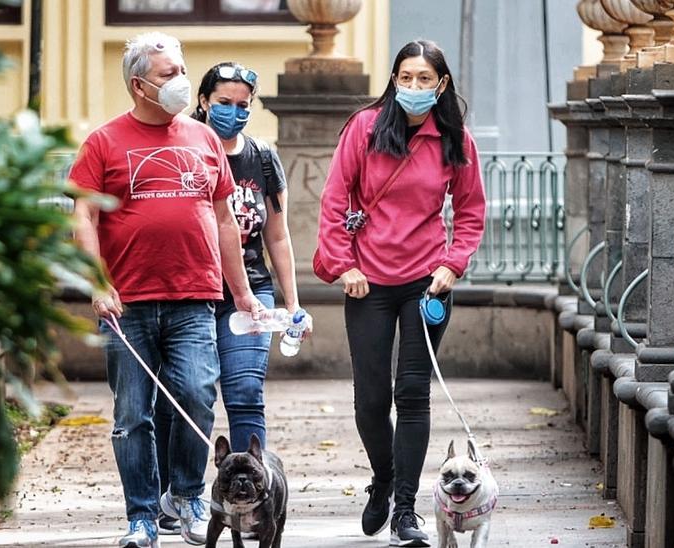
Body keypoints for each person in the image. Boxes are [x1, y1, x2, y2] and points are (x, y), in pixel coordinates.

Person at [69, 32, 264, 548]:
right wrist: (97, 282)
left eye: (181, 70)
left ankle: (188, 497)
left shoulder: (202, 139)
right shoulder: (104, 142)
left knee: (197, 398)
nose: (180, 81)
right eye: (167, 74)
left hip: (194, 299)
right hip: (127, 304)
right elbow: (83, 215)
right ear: (138, 85)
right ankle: (141, 517)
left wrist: (241, 294)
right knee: (133, 415)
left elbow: (225, 220)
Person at [313, 39, 486, 547]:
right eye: (405, 78)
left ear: (442, 85)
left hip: (426, 282)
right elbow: (333, 199)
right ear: (393, 80)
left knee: (412, 394)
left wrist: (453, 264)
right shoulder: (364, 128)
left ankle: (405, 511)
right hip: (366, 280)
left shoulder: (454, 138)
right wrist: (344, 265)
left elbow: (472, 211)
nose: (413, 87)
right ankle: (383, 479)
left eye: (424, 79)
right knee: (370, 399)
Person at [152, 61, 311, 536]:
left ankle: (249, 498)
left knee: (244, 392)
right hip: (190, 289)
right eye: (224, 103)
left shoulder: (262, 158)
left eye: (243, 106)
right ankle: (175, 496)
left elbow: (277, 237)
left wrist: (292, 302)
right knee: (184, 395)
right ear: (202, 101)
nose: (234, 113)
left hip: (251, 295)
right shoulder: (182, 148)